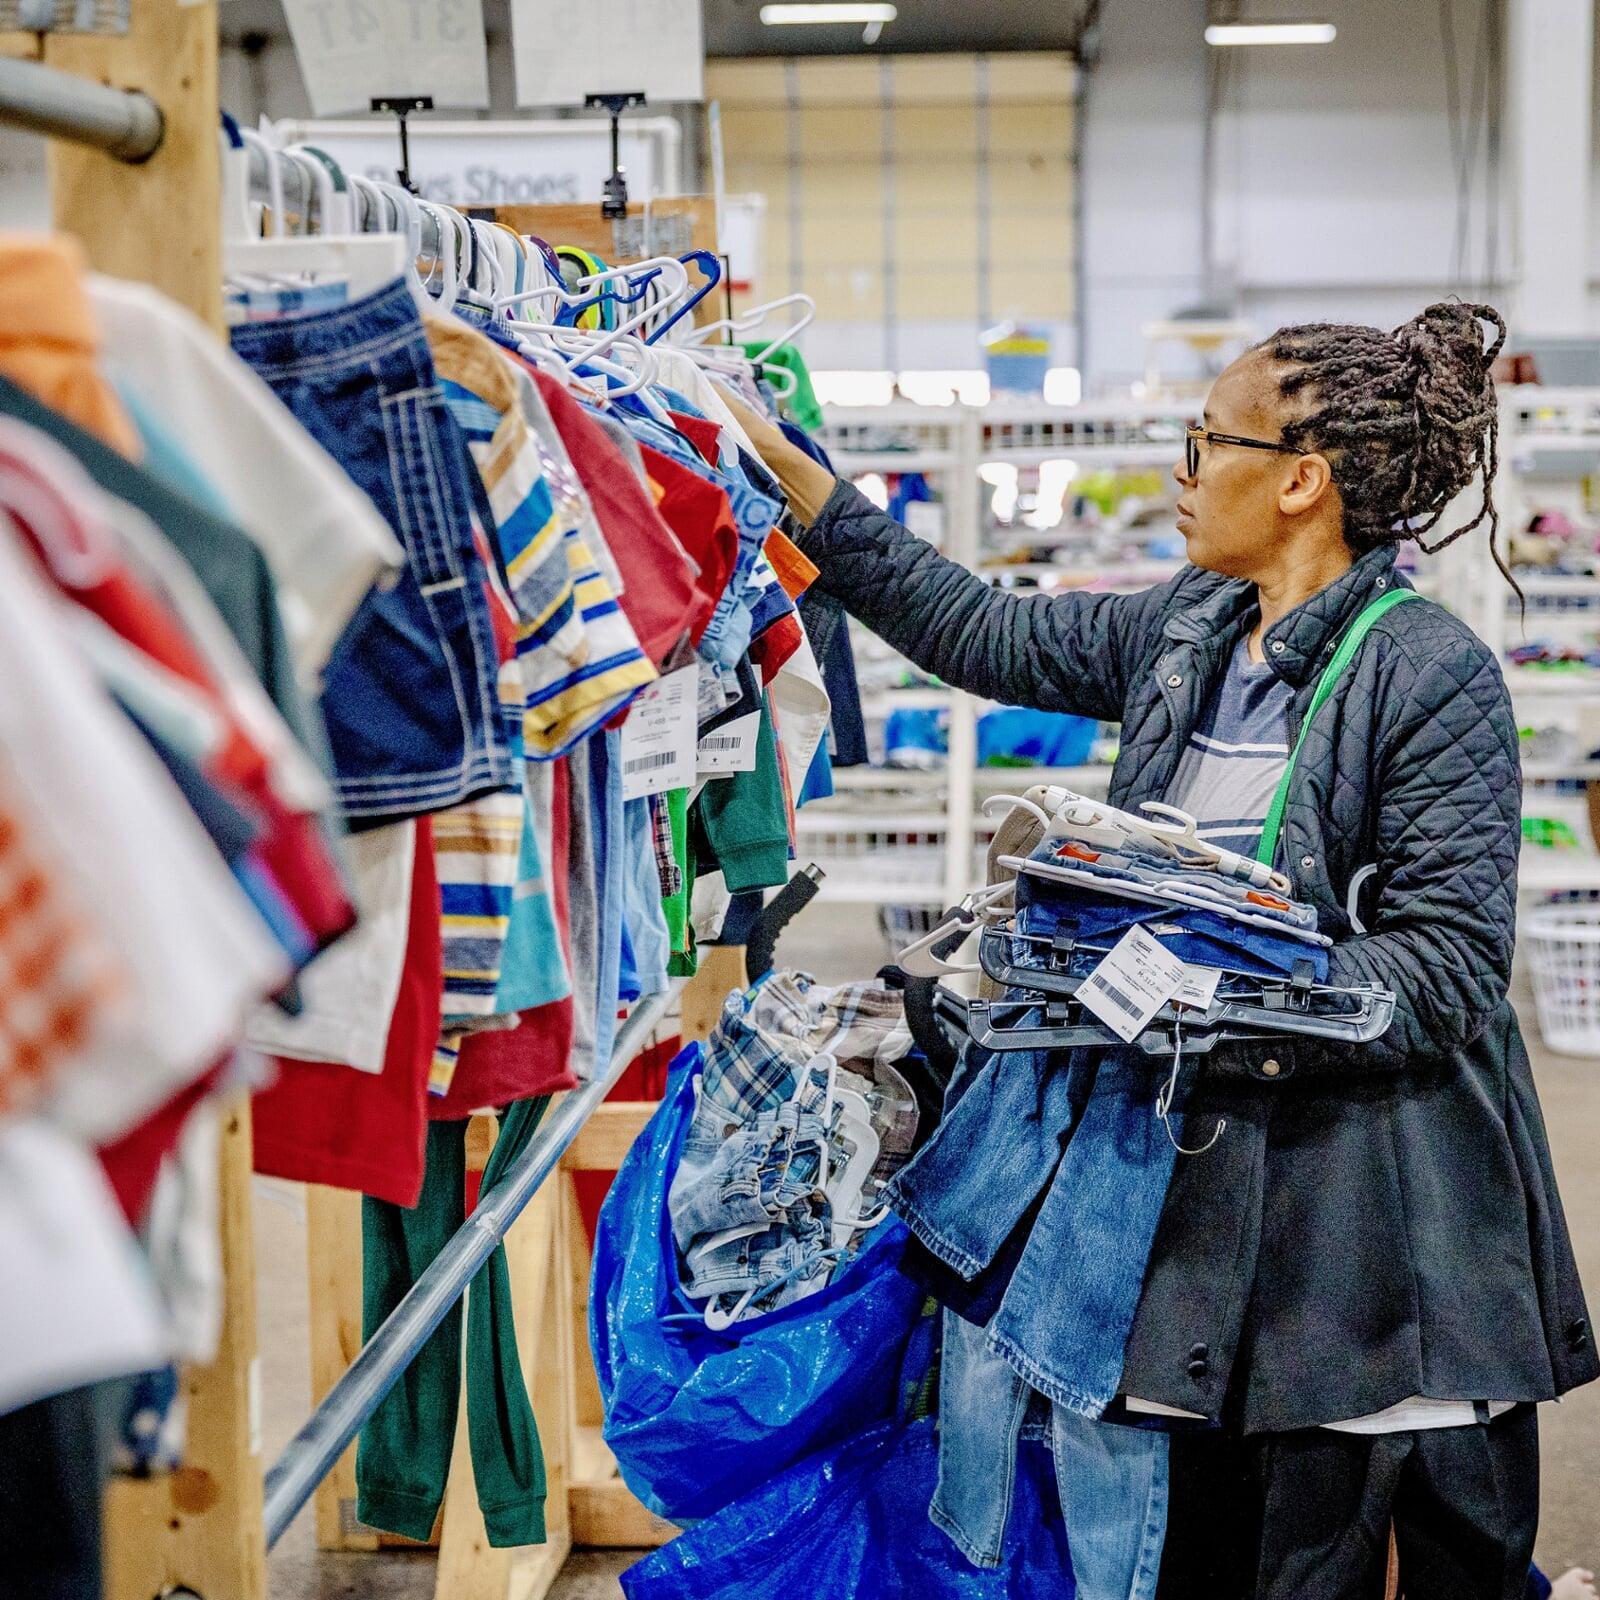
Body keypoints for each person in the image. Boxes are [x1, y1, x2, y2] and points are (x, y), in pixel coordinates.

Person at [724, 303, 1598, 1600]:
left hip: (1383, 1239)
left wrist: (1200, 979)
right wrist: (807, 495)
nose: (1185, 473)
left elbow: (1448, 969)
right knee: (1207, 1542)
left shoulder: (1425, 668)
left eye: (1206, 443)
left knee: (1354, 1542)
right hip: (1216, 1221)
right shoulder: (1192, 629)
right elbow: (989, 635)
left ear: (1300, 481)